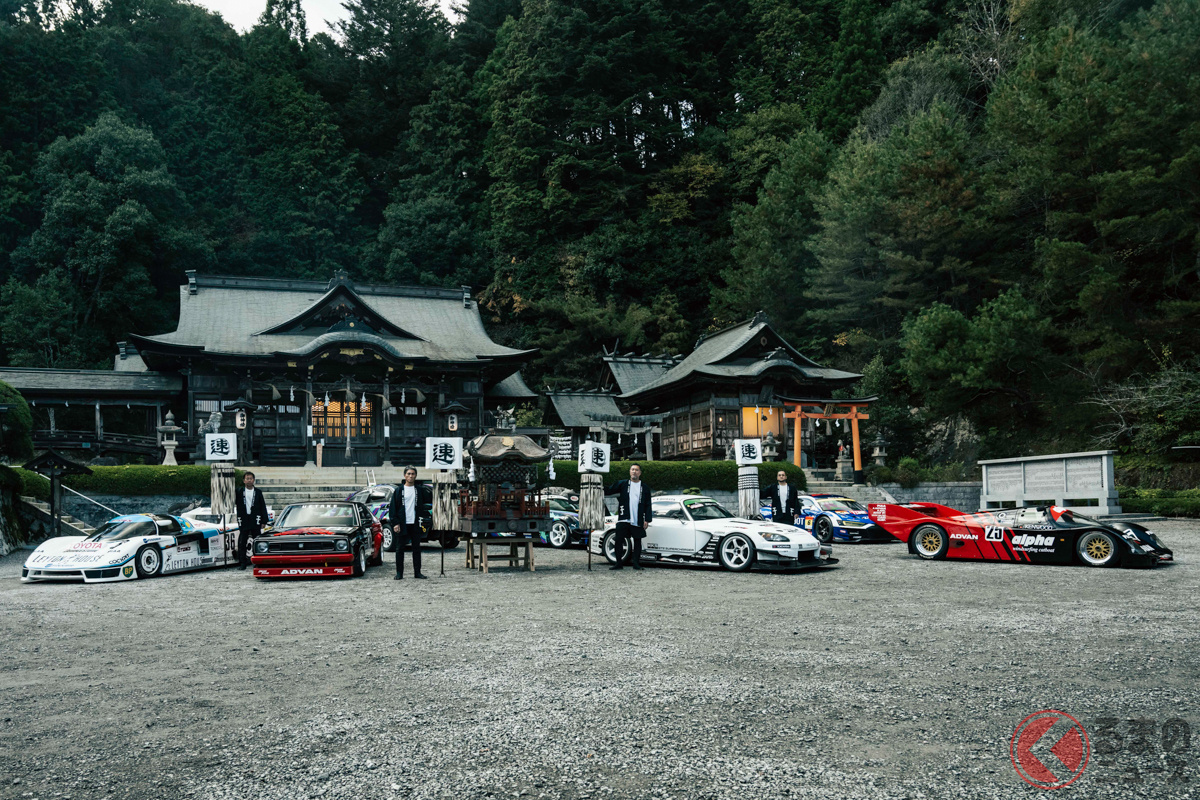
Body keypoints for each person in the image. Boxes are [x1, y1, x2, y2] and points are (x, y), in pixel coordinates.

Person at [605, 463, 653, 570]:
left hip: (638, 518)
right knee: (618, 539)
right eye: (632, 469)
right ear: (629, 472)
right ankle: (618, 563)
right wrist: (597, 485)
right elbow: (609, 490)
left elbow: (648, 504)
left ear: (640, 473)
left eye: (636, 470)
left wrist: (647, 520)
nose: (634, 471)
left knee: (637, 541)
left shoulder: (644, 487)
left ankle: (636, 563)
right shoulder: (623, 484)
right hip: (624, 517)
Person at [388, 466, 431, 580]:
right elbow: (393, 508)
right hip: (402, 523)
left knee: (416, 548)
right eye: (409, 474)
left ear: (415, 476)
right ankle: (399, 573)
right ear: (405, 476)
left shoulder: (419, 490)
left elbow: (426, 503)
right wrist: (395, 523)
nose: (411, 476)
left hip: (415, 523)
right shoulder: (399, 490)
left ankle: (417, 572)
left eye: (413, 474)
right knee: (400, 548)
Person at [235, 471, 269, 569]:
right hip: (244, 517)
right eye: (247, 478)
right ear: (244, 480)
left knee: (256, 539)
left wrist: (264, 521)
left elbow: (262, 506)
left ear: (253, 480)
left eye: (251, 478)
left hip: (255, 518)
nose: (249, 480)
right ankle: (242, 562)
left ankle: (258, 561)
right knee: (242, 540)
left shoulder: (258, 492)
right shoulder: (239, 491)